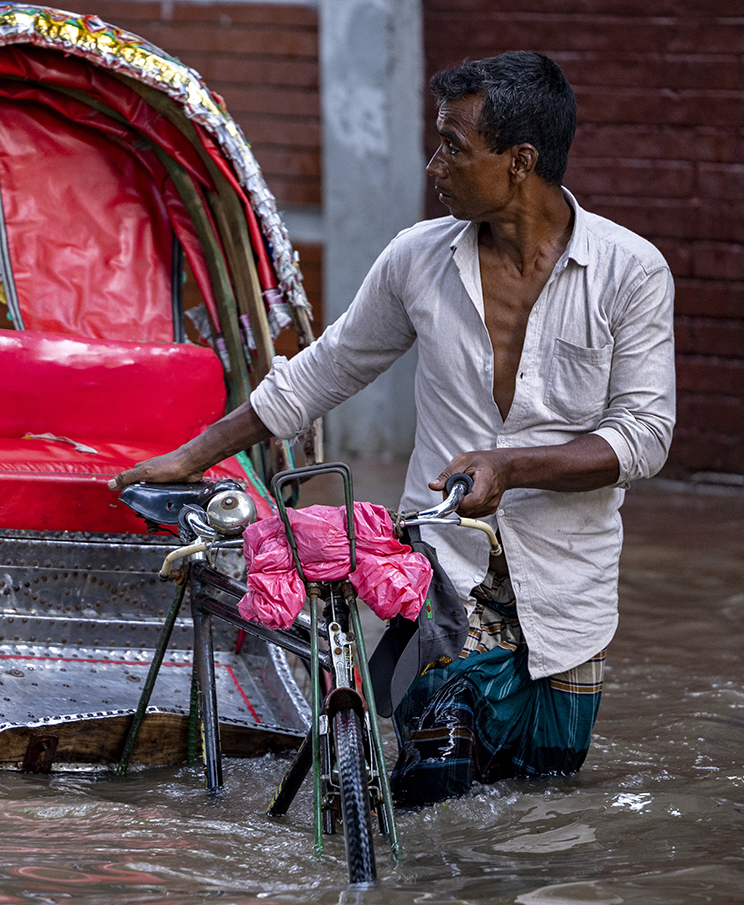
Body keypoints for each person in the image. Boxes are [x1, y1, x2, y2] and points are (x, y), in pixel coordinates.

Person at [109, 51, 675, 807]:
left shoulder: (630, 273)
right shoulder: (418, 259)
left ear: (519, 162)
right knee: (436, 767)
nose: (435, 165)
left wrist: (512, 467)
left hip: (569, 596)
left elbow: (643, 437)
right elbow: (324, 370)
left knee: (544, 806)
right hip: (444, 576)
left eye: (453, 146)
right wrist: (191, 456)